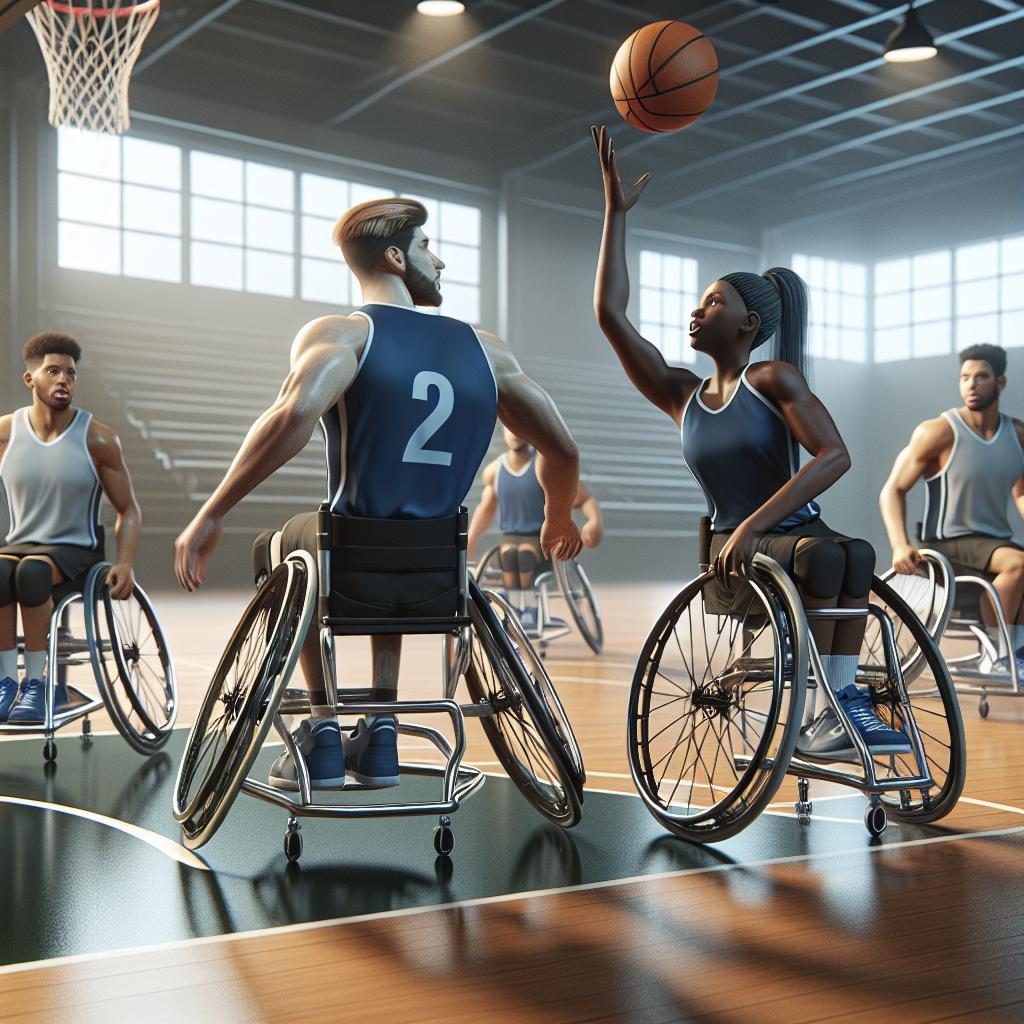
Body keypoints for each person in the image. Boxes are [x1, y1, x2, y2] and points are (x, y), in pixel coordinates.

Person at [174, 197, 582, 791]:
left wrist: (211, 514)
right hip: (439, 569)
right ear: (394, 258)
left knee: (285, 546)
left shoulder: (342, 334)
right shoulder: (488, 351)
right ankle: (383, 728)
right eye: (425, 248)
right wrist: (559, 515)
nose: (438, 261)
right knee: (385, 541)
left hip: (351, 561)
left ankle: (322, 732)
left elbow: (291, 417)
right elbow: (564, 450)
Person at [590, 124, 908, 761]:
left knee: (856, 553)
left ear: (750, 323)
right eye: (700, 302)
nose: (696, 311)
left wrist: (755, 524)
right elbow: (610, 314)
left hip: (775, 537)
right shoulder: (682, 394)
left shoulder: (772, 379)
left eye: (712, 302)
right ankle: (838, 708)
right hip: (736, 557)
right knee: (828, 558)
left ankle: (837, 706)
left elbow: (835, 455)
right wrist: (614, 213)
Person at [0, 332, 141, 722]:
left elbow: (128, 510)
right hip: (21, 544)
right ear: (30, 380)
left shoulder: (98, 438)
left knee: (31, 573)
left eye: (71, 373)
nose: (64, 380)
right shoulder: (6, 434)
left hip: (77, 549)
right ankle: (7, 681)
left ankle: (37, 684)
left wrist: (125, 563)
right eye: (53, 371)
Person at [880, 343, 1024, 671]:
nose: (971, 384)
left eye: (981, 377)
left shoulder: (1017, 435)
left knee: (1016, 561)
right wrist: (899, 544)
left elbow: (1021, 492)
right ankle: (996, 654)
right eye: (965, 377)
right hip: (947, 542)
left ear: (1000, 383)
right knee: (1018, 562)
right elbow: (893, 490)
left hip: (992, 542)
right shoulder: (939, 432)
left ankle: (1016, 652)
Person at [468, 426, 603, 634]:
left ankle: (530, 607)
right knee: (509, 554)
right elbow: (485, 509)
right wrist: (471, 539)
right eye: (509, 428)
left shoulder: (545, 466)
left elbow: (584, 499)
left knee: (523, 555)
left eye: (518, 426)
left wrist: (594, 520)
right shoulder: (494, 471)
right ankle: (514, 606)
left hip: (541, 539)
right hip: (510, 538)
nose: (514, 433)